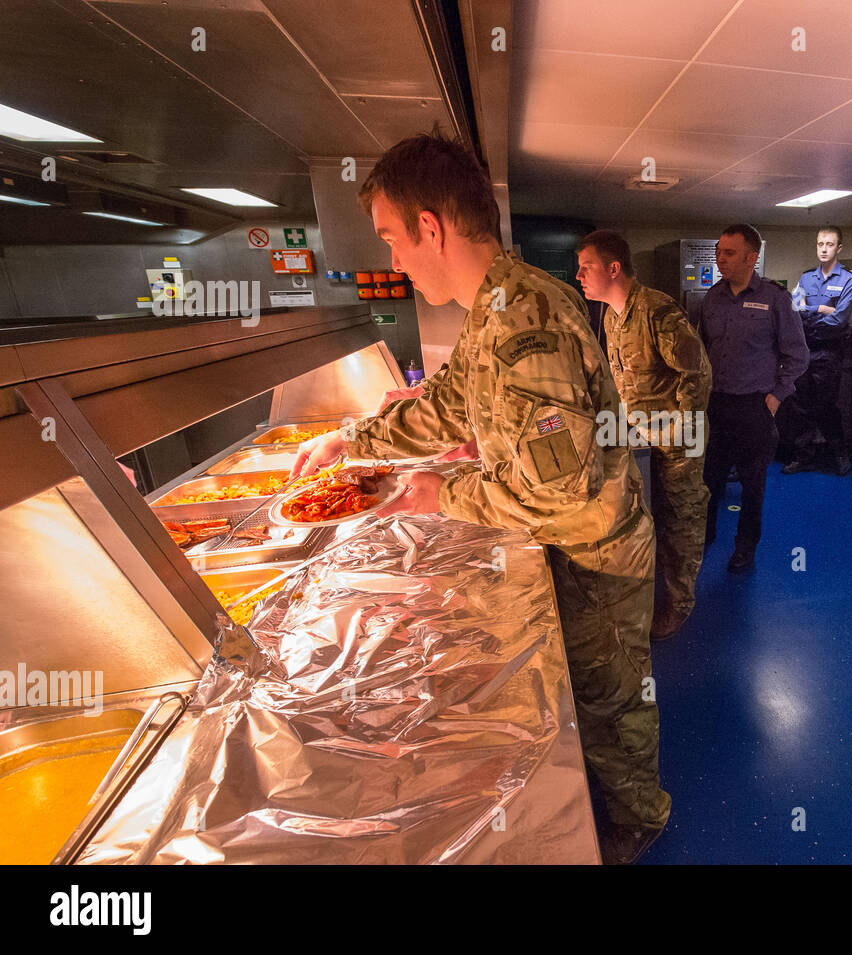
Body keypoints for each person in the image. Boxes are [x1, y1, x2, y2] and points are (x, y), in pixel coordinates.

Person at [289, 132, 670, 865]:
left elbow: (562, 494)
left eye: (393, 238)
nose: (392, 259)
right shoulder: (496, 308)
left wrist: (444, 491)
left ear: (430, 227)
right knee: (592, 705)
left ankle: (640, 818)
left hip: (599, 557)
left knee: (611, 706)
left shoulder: (525, 324)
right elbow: (448, 409)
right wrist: (354, 441)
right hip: (573, 545)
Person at [576, 229, 712, 641]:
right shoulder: (612, 314)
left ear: (613, 268)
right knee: (650, 521)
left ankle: (680, 605)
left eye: (586, 267)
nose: (578, 275)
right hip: (642, 440)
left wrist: (673, 431)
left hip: (677, 443)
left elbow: (699, 375)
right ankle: (655, 595)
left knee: (681, 522)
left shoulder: (657, 311)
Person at [701, 224, 809, 572]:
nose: (720, 259)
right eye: (719, 252)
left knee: (752, 486)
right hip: (716, 406)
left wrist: (777, 396)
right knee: (708, 481)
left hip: (754, 406)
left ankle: (745, 549)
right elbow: (702, 351)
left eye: (729, 253)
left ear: (752, 257)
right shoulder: (712, 298)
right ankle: (704, 538)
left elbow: (798, 356)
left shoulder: (775, 299)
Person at [782, 227, 852, 475]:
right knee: (800, 404)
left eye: (829, 244)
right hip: (806, 351)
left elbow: (839, 320)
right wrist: (822, 309)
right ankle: (803, 456)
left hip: (829, 352)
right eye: (820, 244)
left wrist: (809, 310)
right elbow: (794, 312)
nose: (824, 249)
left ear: (839, 248)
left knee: (825, 405)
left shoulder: (848, 279)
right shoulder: (806, 278)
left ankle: (839, 452)